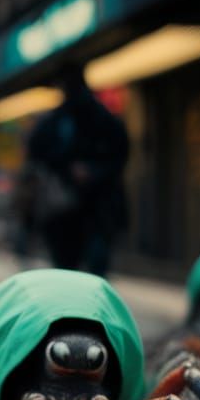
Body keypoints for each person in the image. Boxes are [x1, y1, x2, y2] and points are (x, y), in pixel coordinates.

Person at [27, 64, 129, 277]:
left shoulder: (61, 119)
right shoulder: (101, 117)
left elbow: (36, 149)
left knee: (69, 266)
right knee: (92, 266)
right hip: (87, 206)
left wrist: (79, 169)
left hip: (82, 206)